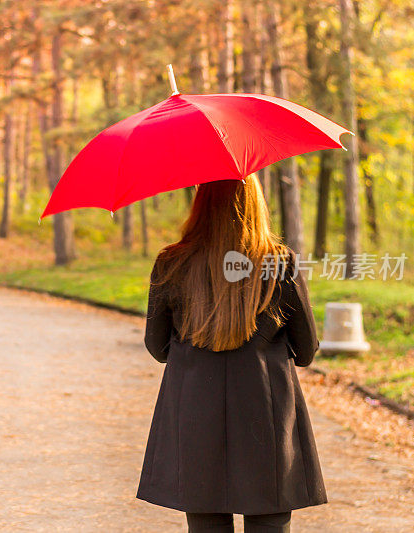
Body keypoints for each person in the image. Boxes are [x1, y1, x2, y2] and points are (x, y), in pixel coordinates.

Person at [136, 175, 326, 533]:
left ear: (201, 205)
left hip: (195, 411)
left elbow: (157, 346)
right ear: (256, 205)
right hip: (265, 413)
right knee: (269, 521)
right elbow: (305, 351)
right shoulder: (279, 263)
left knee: (206, 522)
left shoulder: (171, 263)